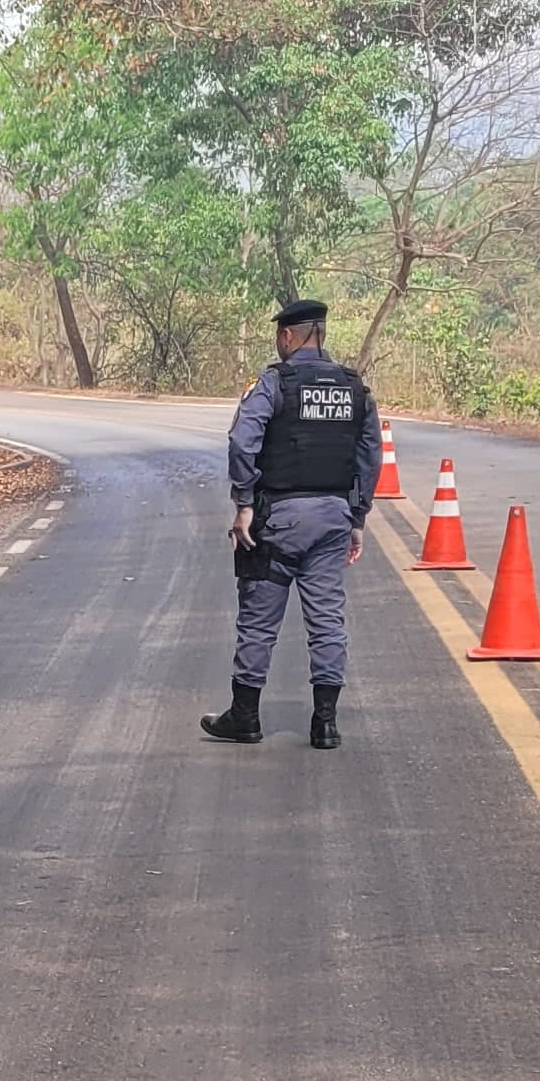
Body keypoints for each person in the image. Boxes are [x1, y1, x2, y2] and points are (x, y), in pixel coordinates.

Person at [203, 298, 376, 749]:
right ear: (322, 333)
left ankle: (245, 717)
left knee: (259, 621)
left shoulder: (274, 383)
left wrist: (244, 502)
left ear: (287, 336)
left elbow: (243, 441)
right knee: (326, 621)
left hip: (278, 520)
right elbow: (368, 456)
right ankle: (325, 723)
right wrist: (356, 516)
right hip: (333, 518)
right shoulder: (353, 387)